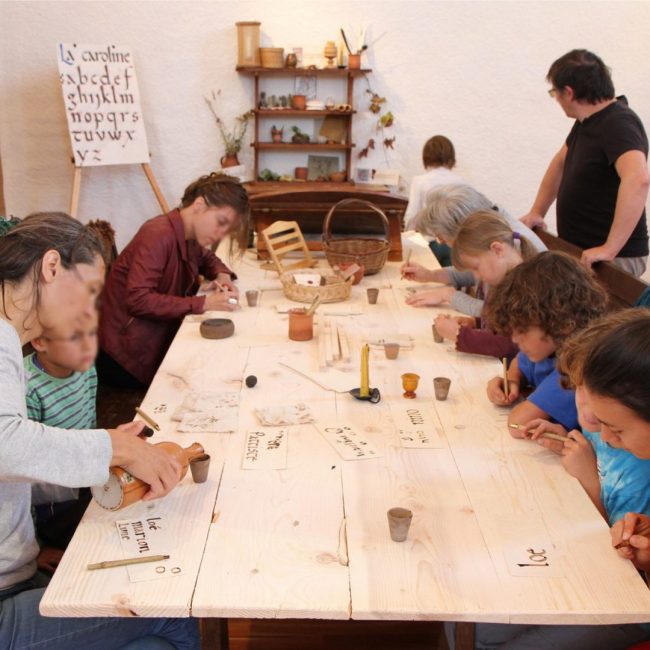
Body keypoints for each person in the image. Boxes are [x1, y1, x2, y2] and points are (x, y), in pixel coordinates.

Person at [0, 212, 199, 649]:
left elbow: (15, 470)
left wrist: (106, 452)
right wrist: (112, 447)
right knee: (171, 612)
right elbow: (5, 446)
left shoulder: (9, 341)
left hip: (17, 571)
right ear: (51, 267)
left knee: (156, 637)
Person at [456, 312, 650, 650]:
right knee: (476, 624)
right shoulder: (623, 439)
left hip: (628, 600)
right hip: (610, 570)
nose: (602, 434)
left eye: (616, 430)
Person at [98, 172, 250, 388]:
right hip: (126, 360)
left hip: (151, 344)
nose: (220, 234)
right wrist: (204, 303)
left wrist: (222, 275)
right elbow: (138, 299)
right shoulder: (157, 234)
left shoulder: (187, 233)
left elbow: (207, 258)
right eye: (221, 222)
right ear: (199, 205)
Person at [520, 49, 649, 276]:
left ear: (568, 92)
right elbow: (560, 164)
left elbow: (638, 179)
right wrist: (537, 212)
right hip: (584, 251)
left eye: (554, 93)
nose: (557, 100)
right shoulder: (588, 122)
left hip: (613, 260)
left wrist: (609, 248)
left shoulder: (618, 122)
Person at [484, 251, 607, 432]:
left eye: (522, 331)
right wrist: (512, 379)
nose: (514, 339)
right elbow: (519, 362)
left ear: (562, 323)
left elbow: (517, 424)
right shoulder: (549, 347)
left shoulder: (577, 367)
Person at [402, 184, 545, 317]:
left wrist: (449, 295)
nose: (443, 243)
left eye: (442, 238)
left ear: (462, 229)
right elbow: (477, 272)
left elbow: (501, 314)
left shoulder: (513, 250)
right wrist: (430, 275)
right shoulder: (492, 235)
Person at [26, 312, 99, 572]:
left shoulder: (86, 367)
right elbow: (23, 480)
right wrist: (34, 548)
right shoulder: (28, 390)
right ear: (39, 342)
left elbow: (90, 423)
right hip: (49, 503)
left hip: (83, 480)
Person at [433, 211, 537, 360]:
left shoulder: (527, 287)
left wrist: (460, 336)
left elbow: (510, 344)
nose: (475, 276)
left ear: (497, 250)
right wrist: (476, 323)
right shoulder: (502, 279)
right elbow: (504, 324)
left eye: (476, 267)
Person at [403, 135, 464, 266]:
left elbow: (412, 216)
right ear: (451, 157)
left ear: (426, 157)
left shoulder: (419, 181)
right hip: (454, 246)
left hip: (429, 243)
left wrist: (407, 238)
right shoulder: (461, 183)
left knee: (430, 281)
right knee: (450, 280)